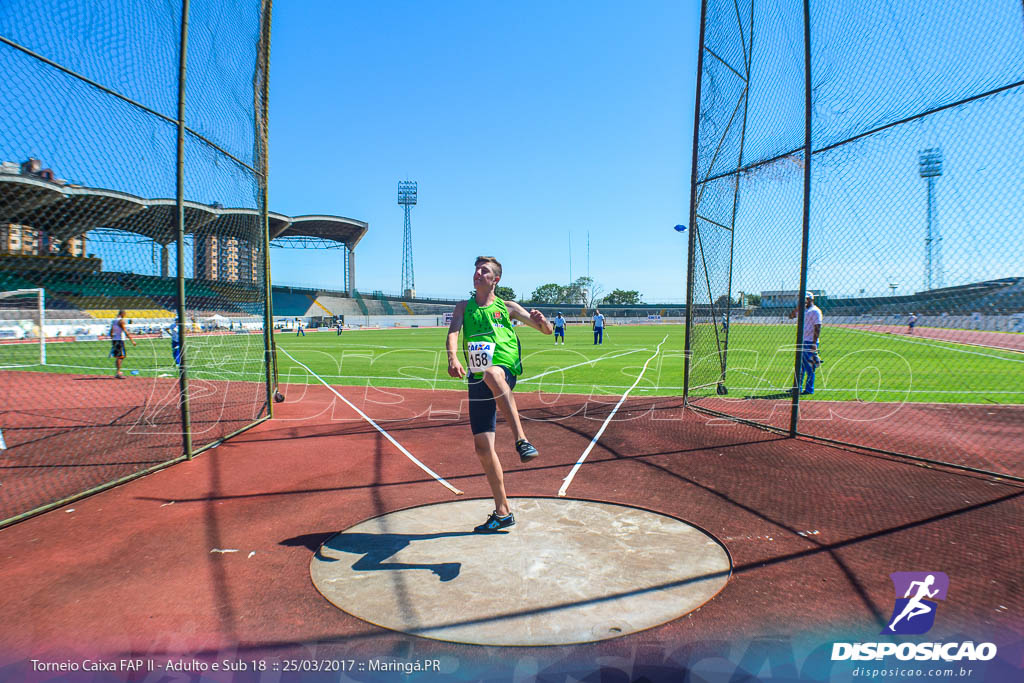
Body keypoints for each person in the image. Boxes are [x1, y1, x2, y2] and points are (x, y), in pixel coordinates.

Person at [446, 256, 553, 533]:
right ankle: (503, 511)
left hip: (503, 368)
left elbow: (545, 330)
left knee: (493, 374)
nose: (478, 274)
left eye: (484, 271)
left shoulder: (508, 307)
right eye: (476, 270)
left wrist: (544, 322)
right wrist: (453, 358)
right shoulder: (462, 307)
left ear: (496, 279)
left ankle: (521, 440)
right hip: (476, 376)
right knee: (482, 447)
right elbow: (453, 333)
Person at [789, 292, 822, 395]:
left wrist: (813, 343)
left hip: (809, 342)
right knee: (799, 366)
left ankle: (809, 389)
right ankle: (797, 387)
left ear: (811, 300)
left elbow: (818, 327)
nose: (803, 301)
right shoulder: (802, 310)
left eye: (805, 299)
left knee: (809, 366)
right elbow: (791, 316)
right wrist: (797, 308)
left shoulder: (815, 311)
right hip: (802, 341)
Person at [109, 309, 137, 379]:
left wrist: (112, 336)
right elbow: (125, 331)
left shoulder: (114, 320)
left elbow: (111, 331)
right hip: (120, 339)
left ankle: (118, 372)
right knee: (120, 356)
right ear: (122, 314)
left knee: (119, 356)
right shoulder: (121, 321)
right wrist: (132, 340)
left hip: (115, 339)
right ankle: (118, 372)